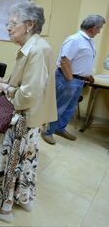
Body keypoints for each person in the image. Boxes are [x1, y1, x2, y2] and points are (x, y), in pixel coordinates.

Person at [0, 2, 57, 223]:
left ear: (29, 24)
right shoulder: (37, 46)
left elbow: (28, 95)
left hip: (23, 120)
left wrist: (4, 89)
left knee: (12, 163)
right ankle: (23, 198)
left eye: (13, 23)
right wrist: (3, 82)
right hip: (32, 119)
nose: (8, 28)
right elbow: (29, 85)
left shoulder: (37, 50)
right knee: (24, 163)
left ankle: (4, 209)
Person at [42, 15, 106, 145]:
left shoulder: (88, 41)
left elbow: (80, 61)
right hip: (67, 78)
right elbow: (65, 61)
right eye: (99, 28)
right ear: (94, 28)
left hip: (79, 80)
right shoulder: (75, 39)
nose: (99, 31)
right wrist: (70, 80)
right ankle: (47, 132)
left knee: (70, 108)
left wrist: (87, 75)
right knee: (59, 107)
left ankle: (59, 128)